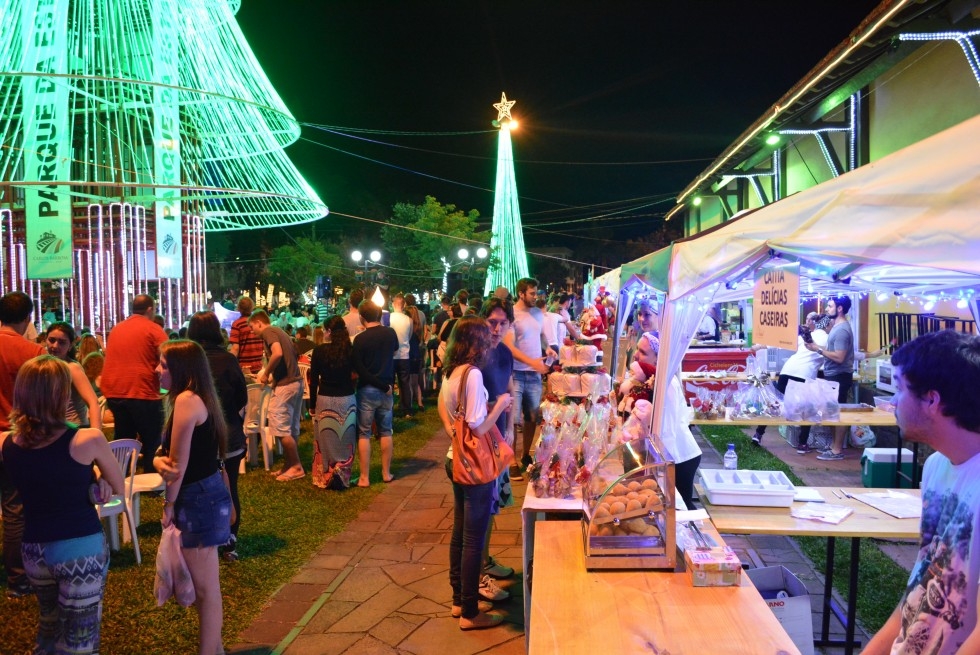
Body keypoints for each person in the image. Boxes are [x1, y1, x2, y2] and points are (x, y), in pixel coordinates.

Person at [862, 330, 980, 655]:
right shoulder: (936, 467)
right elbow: (919, 591)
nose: (892, 402)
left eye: (899, 389)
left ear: (932, 400)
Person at [0, 355, 124, 654]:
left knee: (49, 626)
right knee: (80, 637)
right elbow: (120, 489)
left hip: (33, 550)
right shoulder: (86, 440)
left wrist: (92, 478)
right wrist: (99, 478)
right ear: (60, 394)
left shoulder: (6, 442)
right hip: (78, 548)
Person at [152, 340, 233, 655]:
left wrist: (168, 506)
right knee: (205, 587)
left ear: (181, 369)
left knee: (206, 589)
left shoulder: (187, 400)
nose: (157, 370)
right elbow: (167, 459)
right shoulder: (198, 399)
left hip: (198, 499)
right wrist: (159, 462)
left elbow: (176, 467)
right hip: (205, 494)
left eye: (163, 364)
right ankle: (216, 649)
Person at [437, 316, 513, 630]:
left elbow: (447, 414)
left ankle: (459, 600)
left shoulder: (451, 372)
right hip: (474, 467)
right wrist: (501, 405)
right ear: (475, 343)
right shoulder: (473, 375)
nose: (488, 345)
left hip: (455, 459)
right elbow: (479, 426)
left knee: (459, 535)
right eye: (484, 338)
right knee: (473, 540)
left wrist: (456, 436)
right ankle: (470, 612)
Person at [187, 311, 247, 562]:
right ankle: (230, 540)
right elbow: (241, 398)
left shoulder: (189, 362)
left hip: (198, 437)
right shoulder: (228, 360)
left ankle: (206, 538)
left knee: (199, 489)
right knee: (229, 485)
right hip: (230, 435)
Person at [0, 291, 47, 598]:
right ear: (28, 318)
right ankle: (18, 577)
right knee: (16, 508)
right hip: (14, 438)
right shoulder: (31, 352)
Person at [630, 332, 702, 509]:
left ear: (657, 359)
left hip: (679, 458)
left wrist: (658, 467)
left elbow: (667, 432)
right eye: (637, 349)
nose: (636, 355)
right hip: (672, 455)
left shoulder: (666, 384)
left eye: (643, 352)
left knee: (679, 509)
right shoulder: (653, 378)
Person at [477, 298, 517, 601]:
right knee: (478, 508)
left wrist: (511, 426)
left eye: (503, 322)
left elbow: (509, 388)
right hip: (478, 443)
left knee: (493, 504)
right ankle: (476, 573)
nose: (497, 327)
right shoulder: (473, 353)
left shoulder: (504, 352)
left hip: (499, 438)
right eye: (492, 321)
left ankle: (485, 561)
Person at [100, 294, 169, 471]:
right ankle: (152, 477)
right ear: (150, 309)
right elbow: (168, 356)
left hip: (115, 391)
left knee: (123, 436)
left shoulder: (117, 329)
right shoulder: (153, 329)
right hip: (142, 391)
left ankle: (119, 476)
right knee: (152, 437)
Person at [751, 312, 829, 451]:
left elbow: (781, 344)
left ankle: (758, 433)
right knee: (807, 409)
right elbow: (841, 356)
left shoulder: (805, 336)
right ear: (827, 325)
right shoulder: (828, 339)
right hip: (805, 374)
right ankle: (802, 443)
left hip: (788, 371)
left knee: (775, 404)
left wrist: (759, 346)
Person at [248, 310, 306, 481]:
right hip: (295, 382)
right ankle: (289, 465)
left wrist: (266, 373)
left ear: (259, 322)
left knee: (279, 427)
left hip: (286, 386)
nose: (252, 332)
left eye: (252, 327)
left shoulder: (268, 332)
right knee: (290, 427)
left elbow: (278, 353)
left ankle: (296, 466)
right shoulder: (281, 331)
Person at [503, 278, 553, 478]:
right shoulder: (512, 315)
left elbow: (540, 335)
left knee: (532, 417)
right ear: (521, 293)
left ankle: (525, 455)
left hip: (533, 376)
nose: (535, 296)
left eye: (536, 293)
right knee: (513, 420)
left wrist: (547, 347)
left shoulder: (537, 314)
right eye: (532, 293)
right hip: (515, 373)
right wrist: (532, 362)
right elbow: (509, 346)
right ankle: (511, 460)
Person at [351, 300, 398, 487]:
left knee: (364, 433)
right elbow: (394, 351)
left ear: (362, 318)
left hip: (367, 390)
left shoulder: (360, 339)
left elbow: (359, 369)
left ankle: (364, 477)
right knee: (386, 430)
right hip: (386, 388)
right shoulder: (390, 333)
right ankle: (386, 473)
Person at [308, 316, 357, 490]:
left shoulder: (319, 351)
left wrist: (312, 404)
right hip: (347, 399)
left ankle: (326, 474)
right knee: (346, 438)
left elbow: (313, 381)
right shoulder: (350, 350)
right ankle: (342, 473)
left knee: (325, 437)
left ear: (329, 331)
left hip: (325, 399)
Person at [805, 296, 855, 461]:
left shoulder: (841, 330)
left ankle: (837, 450)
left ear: (840, 308)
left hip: (840, 376)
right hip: (833, 375)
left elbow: (840, 357)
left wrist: (819, 351)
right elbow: (831, 349)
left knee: (837, 412)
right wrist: (815, 347)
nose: (826, 309)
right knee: (831, 412)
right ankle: (834, 446)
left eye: (830, 306)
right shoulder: (836, 326)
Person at [44, 322, 102, 430]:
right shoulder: (43, 365)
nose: (55, 346)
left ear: (70, 345)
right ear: (45, 340)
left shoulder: (72, 368)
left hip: (75, 429)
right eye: (52, 340)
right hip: (54, 430)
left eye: (62, 342)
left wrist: (96, 435)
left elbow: (93, 402)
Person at [389, 293, 414, 419]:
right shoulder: (409, 320)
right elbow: (409, 337)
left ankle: (390, 407)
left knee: (390, 383)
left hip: (391, 356)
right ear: (404, 305)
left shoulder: (388, 318)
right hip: (404, 355)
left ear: (393, 304)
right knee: (405, 383)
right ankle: (407, 409)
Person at [229, 296, 264, 375]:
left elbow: (235, 348)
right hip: (258, 367)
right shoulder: (258, 323)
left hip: (244, 368)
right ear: (252, 307)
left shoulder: (237, 324)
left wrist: (228, 363)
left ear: (239, 308)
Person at [406, 305, 426, 412]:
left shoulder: (408, 326)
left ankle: (408, 404)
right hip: (417, 354)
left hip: (409, 354)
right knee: (416, 381)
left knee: (408, 381)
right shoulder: (418, 327)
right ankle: (420, 402)